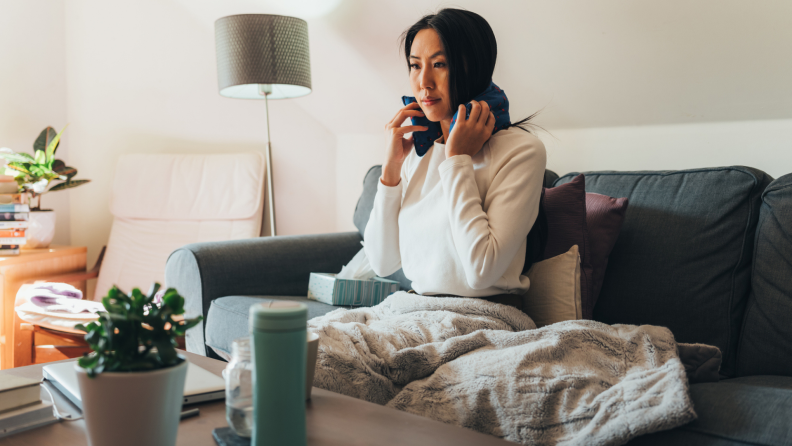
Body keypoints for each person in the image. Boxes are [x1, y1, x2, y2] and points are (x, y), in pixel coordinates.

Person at [364, 8, 547, 307]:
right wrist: (391, 169)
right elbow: (382, 264)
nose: (424, 82)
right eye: (414, 65)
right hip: (415, 310)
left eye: (439, 64)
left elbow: (481, 271)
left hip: (486, 317)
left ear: (473, 66)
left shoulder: (521, 151)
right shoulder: (418, 151)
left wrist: (457, 159)